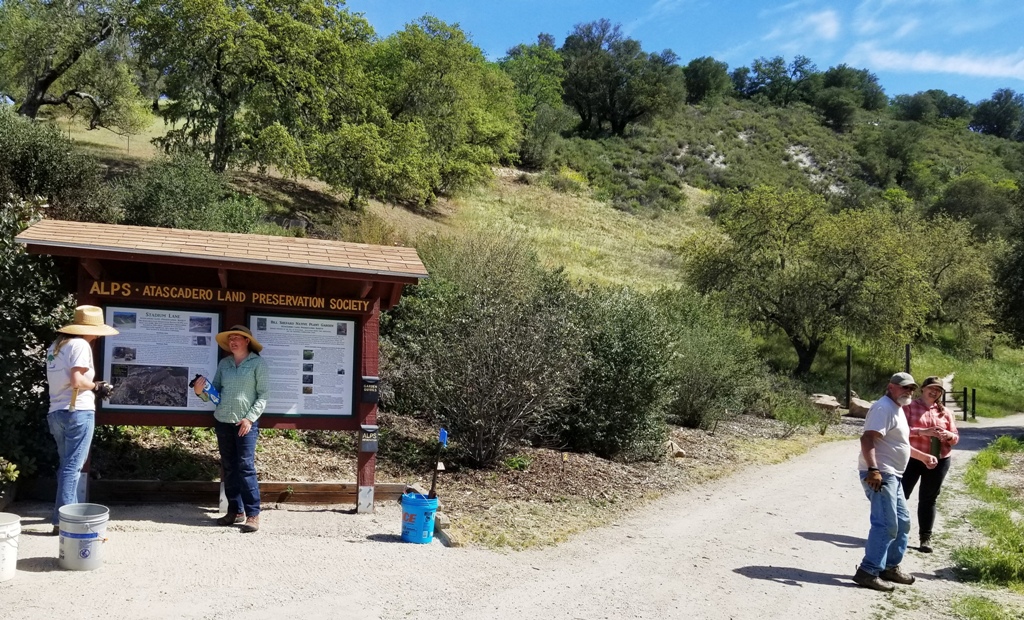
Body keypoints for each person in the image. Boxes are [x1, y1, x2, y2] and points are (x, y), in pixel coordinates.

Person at [853, 372, 938, 592]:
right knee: (886, 524)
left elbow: (899, 444)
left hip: (893, 475)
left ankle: (889, 567)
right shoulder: (883, 408)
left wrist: (923, 456)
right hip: (881, 474)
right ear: (891, 387)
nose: (908, 391)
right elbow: (867, 438)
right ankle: (868, 571)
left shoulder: (897, 409)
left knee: (902, 522)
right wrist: (873, 469)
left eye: (911, 388)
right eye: (904, 387)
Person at [45, 305, 119, 534]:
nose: (97, 334)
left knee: (66, 464)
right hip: (77, 410)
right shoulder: (80, 345)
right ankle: (65, 521)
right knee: (73, 467)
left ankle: (63, 514)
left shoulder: (56, 346)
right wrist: (97, 386)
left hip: (56, 411)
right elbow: (77, 380)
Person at [193, 325, 269, 533]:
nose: (233, 341)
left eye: (238, 338)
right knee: (229, 468)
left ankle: (253, 514)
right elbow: (214, 393)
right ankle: (236, 511)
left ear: (247, 341)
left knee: (245, 467)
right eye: (231, 338)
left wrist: (250, 419)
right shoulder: (225, 363)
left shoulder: (257, 363)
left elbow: (263, 395)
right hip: (223, 421)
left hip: (245, 424)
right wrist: (201, 391)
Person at [902, 376, 959, 554]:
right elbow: (900, 431)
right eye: (931, 388)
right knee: (901, 495)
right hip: (914, 457)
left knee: (929, 499)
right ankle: (893, 533)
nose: (934, 392)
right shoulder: (909, 407)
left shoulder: (946, 413)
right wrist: (923, 432)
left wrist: (947, 435)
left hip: (939, 459)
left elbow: (956, 438)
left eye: (938, 390)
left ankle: (925, 538)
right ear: (923, 389)